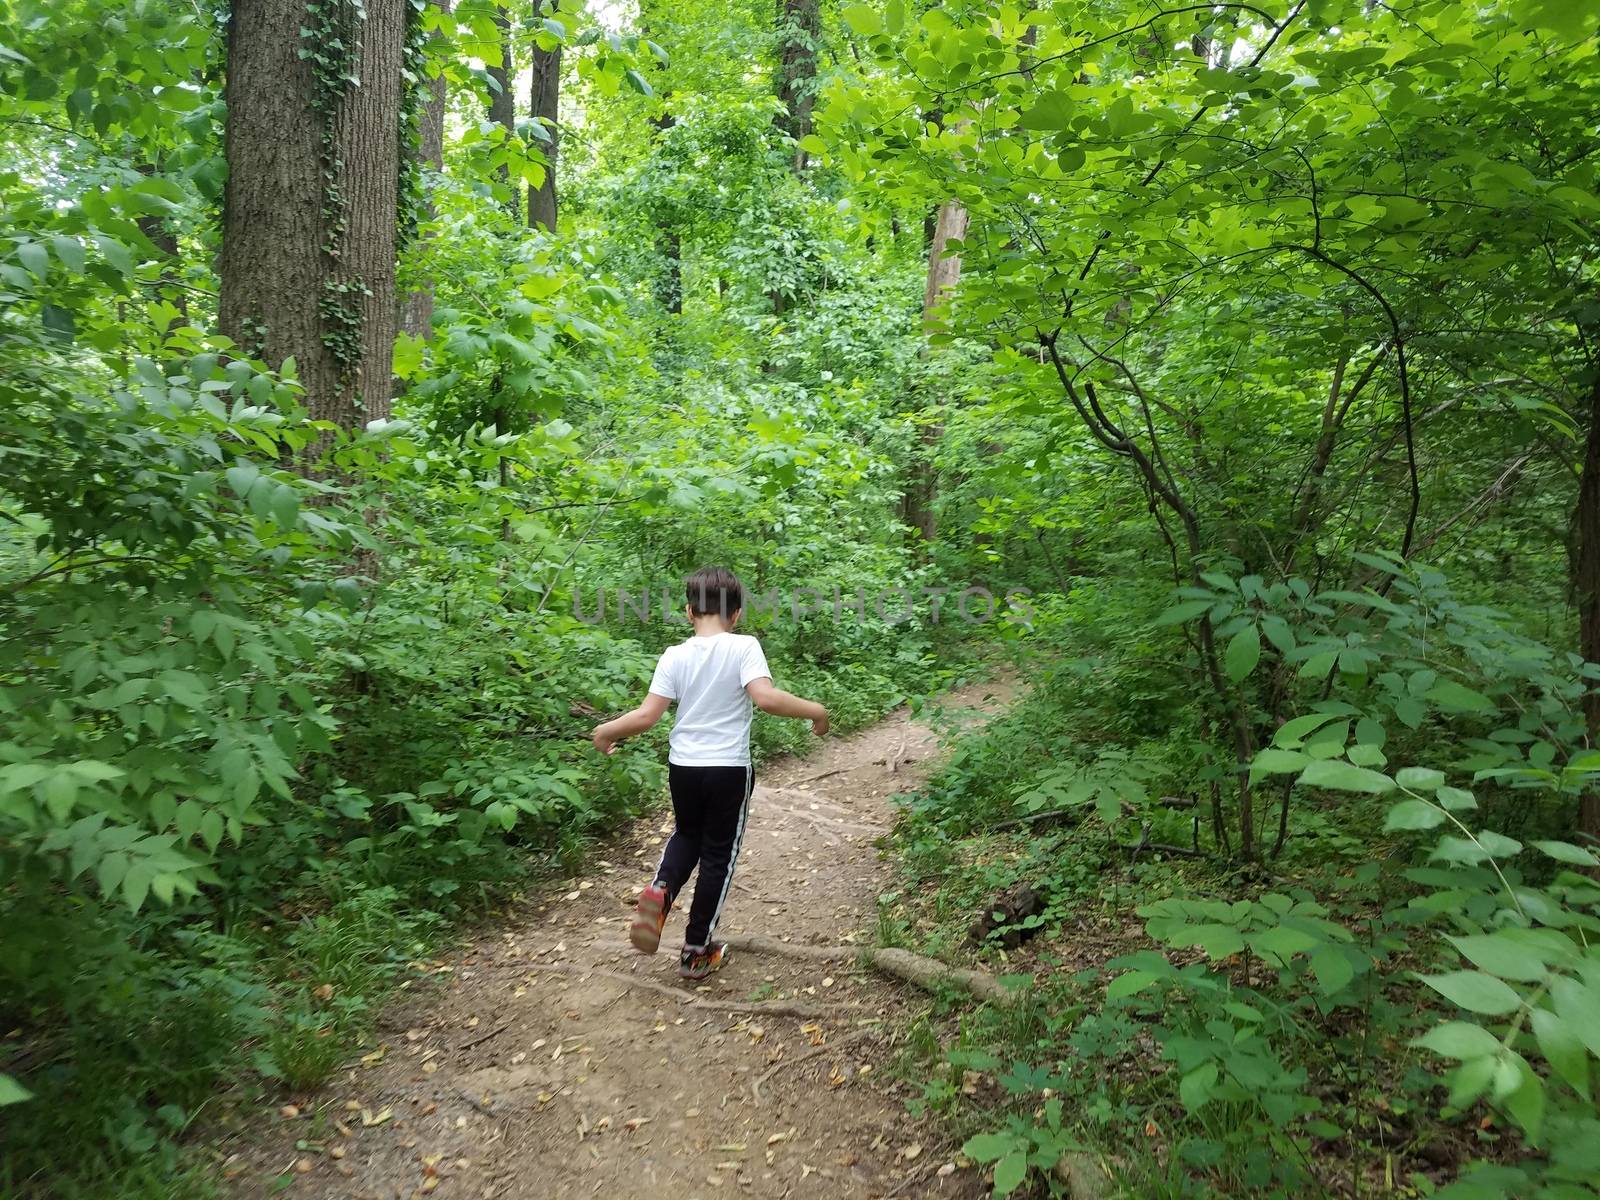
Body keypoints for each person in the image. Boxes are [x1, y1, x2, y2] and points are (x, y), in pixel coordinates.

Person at [591, 567, 829, 980]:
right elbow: (766, 698)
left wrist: (607, 729)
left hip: (683, 766)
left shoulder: (674, 655)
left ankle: (661, 889)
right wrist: (817, 712)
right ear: (735, 615)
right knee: (718, 853)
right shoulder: (744, 647)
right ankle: (696, 949)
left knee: (686, 835)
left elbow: (648, 715)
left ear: (688, 612)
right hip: (728, 769)